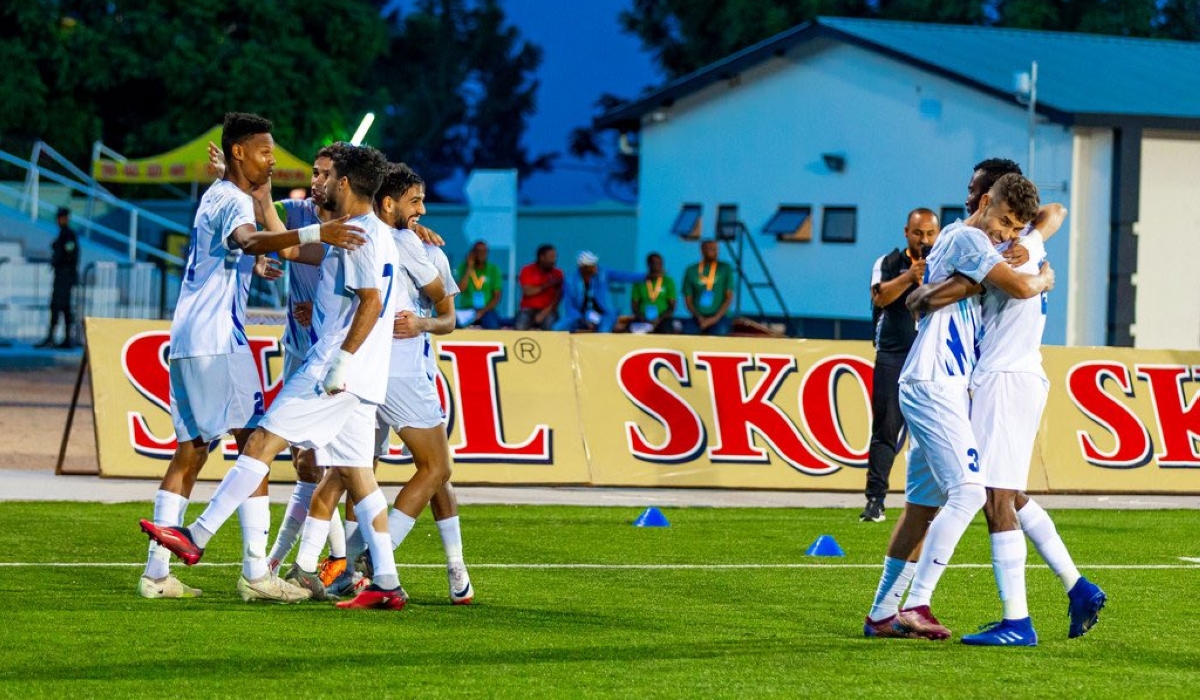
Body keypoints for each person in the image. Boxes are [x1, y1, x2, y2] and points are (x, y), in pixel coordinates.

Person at [142, 144, 412, 611]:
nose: (318, 183)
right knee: (360, 476)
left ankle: (197, 535)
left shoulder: (360, 235)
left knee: (261, 441)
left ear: (344, 184)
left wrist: (341, 360)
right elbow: (292, 247)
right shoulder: (364, 231)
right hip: (363, 377)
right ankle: (387, 582)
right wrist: (254, 192)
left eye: (326, 177)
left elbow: (369, 301)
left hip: (337, 369)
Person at [904, 213, 1107, 643]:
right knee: (1008, 493)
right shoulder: (1028, 244)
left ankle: (1016, 622)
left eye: (1005, 221)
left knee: (992, 498)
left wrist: (1036, 278)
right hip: (1016, 376)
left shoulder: (1004, 249)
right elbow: (1054, 213)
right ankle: (1078, 587)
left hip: (1005, 378)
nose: (1001, 232)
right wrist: (1037, 251)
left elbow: (1044, 225)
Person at [870, 173, 1053, 641]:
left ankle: (880, 615)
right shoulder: (969, 236)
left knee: (922, 508)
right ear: (986, 203)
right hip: (935, 380)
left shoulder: (973, 239)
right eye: (1005, 222)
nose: (1007, 234)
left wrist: (1026, 239)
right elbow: (1017, 286)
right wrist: (1043, 276)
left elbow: (1052, 215)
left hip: (942, 380)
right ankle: (917, 603)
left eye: (1015, 228)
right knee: (971, 492)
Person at [859, 209, 939, 523]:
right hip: (893, 354)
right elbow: (879, 298)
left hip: (932, 357)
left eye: (931, 233)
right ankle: (875, 501)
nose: (925, 240)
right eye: (919, 233)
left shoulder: (944, 262)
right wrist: (910, 276)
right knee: (886, 430)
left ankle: (931, 503)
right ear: (907, 232)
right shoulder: (888, 263)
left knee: (933, 433)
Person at [553, 251, 642, 333]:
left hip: (604, 314)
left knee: (604, 330)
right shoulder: (570, 281)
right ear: (583, 267)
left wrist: (646, 276)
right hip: (581, 316)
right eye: (591, 265)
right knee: (557, 328)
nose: (595, 266)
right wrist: (581, 319)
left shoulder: (603, 273)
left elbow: (624, 276)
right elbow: (569, 306)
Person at [37, 207, 80, 348]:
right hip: (62, 275)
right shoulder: (64, 234)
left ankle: (59, 337)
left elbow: (69, 255)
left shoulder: (68, 235)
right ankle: (62, 337)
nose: (58, 220)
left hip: (65, 276)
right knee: (62, 307)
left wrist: (58, 258)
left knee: (59, 306)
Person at [681, 239, 734, 335]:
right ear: (701, 250)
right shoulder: (691, 270)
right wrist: (699, 317)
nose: (712, 251)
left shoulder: (725, 268)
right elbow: (688, 299)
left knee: (719, 332)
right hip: (697, 317)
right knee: (687, 332)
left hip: (720, 316)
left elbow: (729, 297)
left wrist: (714, 318)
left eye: (714, 249)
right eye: (708, 248)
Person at [455, 240, 503, 329]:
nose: (481, 254)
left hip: (486, 309)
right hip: (467, 309)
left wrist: (482, 311)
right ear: (472, 252)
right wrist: (469, 267)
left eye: (484, 251)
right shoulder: (463, 267)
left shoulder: (493, 269)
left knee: (492, 325)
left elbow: (497, 296)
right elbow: (460, 289)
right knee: (453, 324)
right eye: (478, 251)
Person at [514, 244, 563, 330]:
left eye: (555, 257)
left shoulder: (558, 273)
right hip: (528, 309)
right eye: (551, 257)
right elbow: (528, 292)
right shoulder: (527, 270)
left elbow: (558, 297)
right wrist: (548, 284)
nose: (554, 260)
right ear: (542, 257)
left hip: (549, 310)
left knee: (551, 327)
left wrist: (544, 313)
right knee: (520, 326)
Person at [629, 252, 679, 334]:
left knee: (667, 330)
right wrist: (644, 319)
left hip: (662, 320)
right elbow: (634, 306)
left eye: (660, 263)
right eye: (654, 263)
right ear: (648, 265)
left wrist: (659, 319)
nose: (658, 266)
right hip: (643, 319)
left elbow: (672, 307)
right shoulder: (639, 281)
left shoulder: (668, 281)